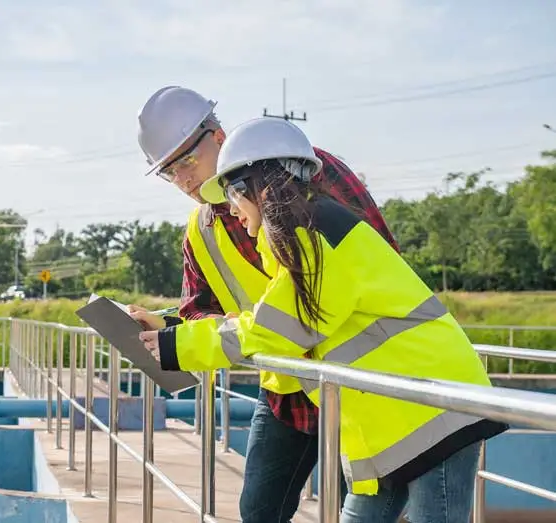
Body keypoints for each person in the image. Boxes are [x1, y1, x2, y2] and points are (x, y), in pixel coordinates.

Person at [137, 116, 509, 523]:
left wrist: (178, 345)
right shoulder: (300, 237)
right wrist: (180, 331)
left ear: (253, 188)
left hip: (434, 411)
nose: (229, 208)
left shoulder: (317, 236)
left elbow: (277, 329)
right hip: (386, 421)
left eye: (231, 194)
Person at [131, 85, 399, 522]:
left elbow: (379, 261)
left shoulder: (308, 171)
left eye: (185, 161)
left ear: (217, 137)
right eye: (168, 171)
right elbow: (198, 307)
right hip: (285, 392)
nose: (182, 179)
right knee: (258, 511)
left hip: (352, 383)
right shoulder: (200, 230)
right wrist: (167, 326)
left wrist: (259, 326)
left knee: (354, 511)